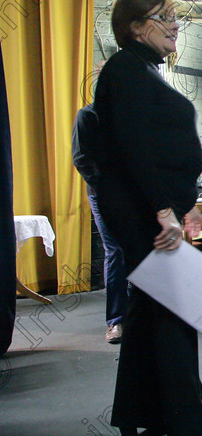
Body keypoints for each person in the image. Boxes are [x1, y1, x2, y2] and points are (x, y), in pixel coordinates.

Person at [92, 0, 202, 436]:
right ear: (136, 27)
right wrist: (164, 211)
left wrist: (187, 202)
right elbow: (133, 152)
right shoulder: (126, 71)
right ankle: (191, 428)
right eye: (165, 16)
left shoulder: (138, 70)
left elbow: (158, 151)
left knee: (149, 312)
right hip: (145, 216)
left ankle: (137, 411)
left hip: (154, 210)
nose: (176, 24)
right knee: (177, 315)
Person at [72, 103, 129, 344]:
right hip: (103, 194)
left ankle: (146, 317)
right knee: (116, 251)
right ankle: (116, 321)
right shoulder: (88, 116)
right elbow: (81, 158)